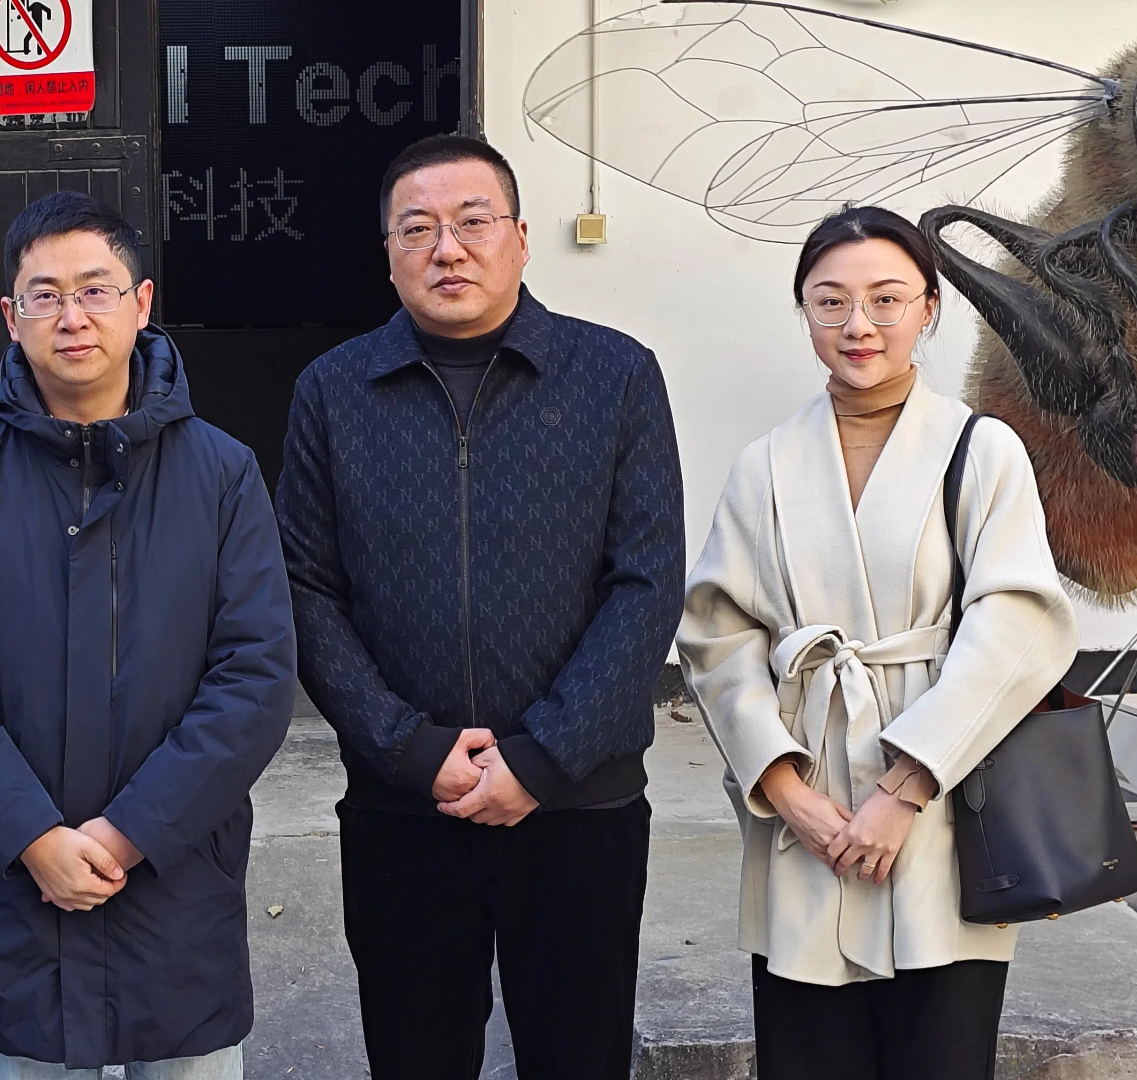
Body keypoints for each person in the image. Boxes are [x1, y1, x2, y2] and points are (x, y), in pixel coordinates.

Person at [276, 134, 685, 1079]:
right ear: (387, 252)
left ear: (521, 238)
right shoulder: (334, 391)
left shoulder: (614, 375)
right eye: (416, 229)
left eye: (472, 222)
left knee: (578, 1056)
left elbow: (647, 579)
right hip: (404, 807)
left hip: (578, 804)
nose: (447, 250)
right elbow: (305, 587)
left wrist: (543, 756)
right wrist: (409, 750)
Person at [0, 191, 296, 1080]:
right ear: (12, 316)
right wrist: (32, 835)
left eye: (95, 290)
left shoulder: (222, 473)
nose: (71, 316)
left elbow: (256, 677)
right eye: (45, 294)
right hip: (17, 882)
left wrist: (129, 833)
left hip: (175, 877)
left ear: (140, 303)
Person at [677, 205, 1079, 1080]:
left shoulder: (982, 450)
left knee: (940, 1049)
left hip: (943, 802)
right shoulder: (764, 465)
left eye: (886, 299)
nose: (858, 324)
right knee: (808, 1051)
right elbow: (718, 637)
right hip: (809, 808)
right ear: (805, 312)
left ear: (929, 307)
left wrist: (905, 788)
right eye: (830, 302)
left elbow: (1016, 622)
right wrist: (787, 791)